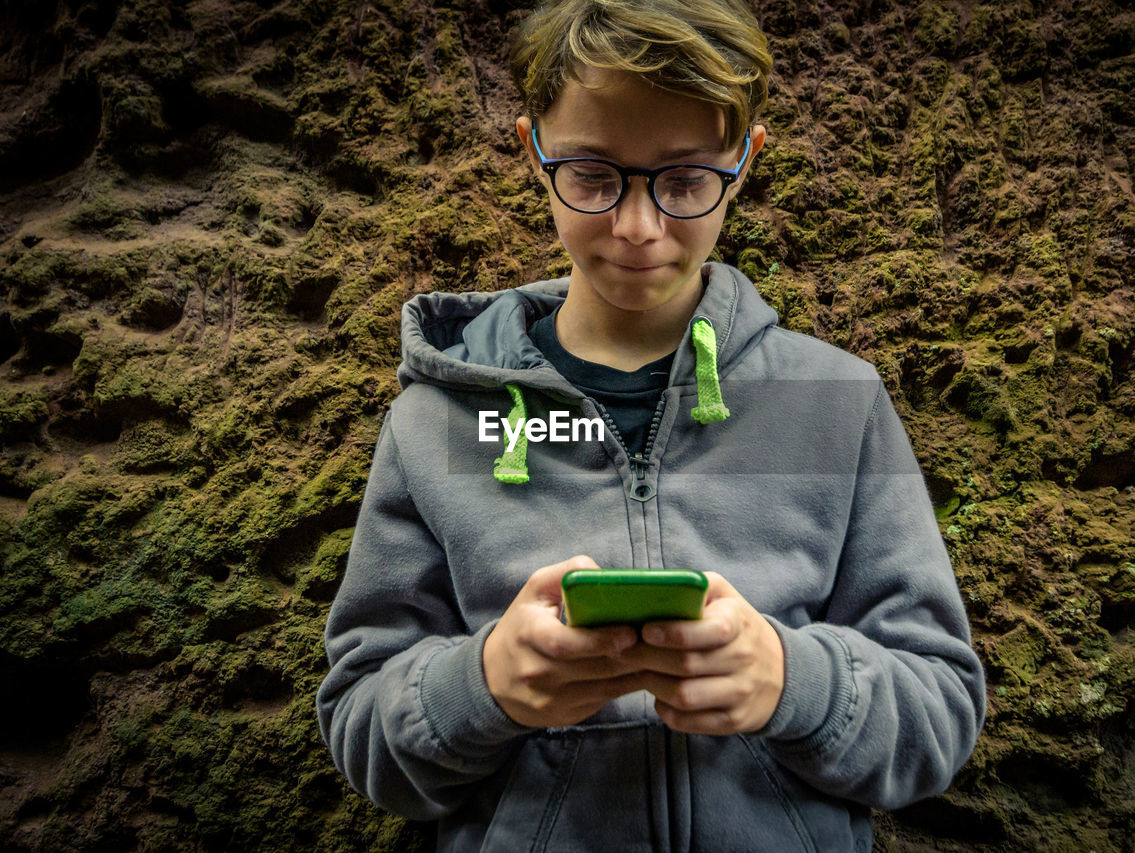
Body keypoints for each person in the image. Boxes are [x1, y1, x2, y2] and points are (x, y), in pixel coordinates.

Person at [316, 0, 986, 849]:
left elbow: (944, 710)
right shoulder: (436, 422)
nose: (638, 228)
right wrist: (480, 685)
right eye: (593, 175)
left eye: (686, 180)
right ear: (534, 151)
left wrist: (793, 682)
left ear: (745, 161)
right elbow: (357, 720)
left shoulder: (838, 400)